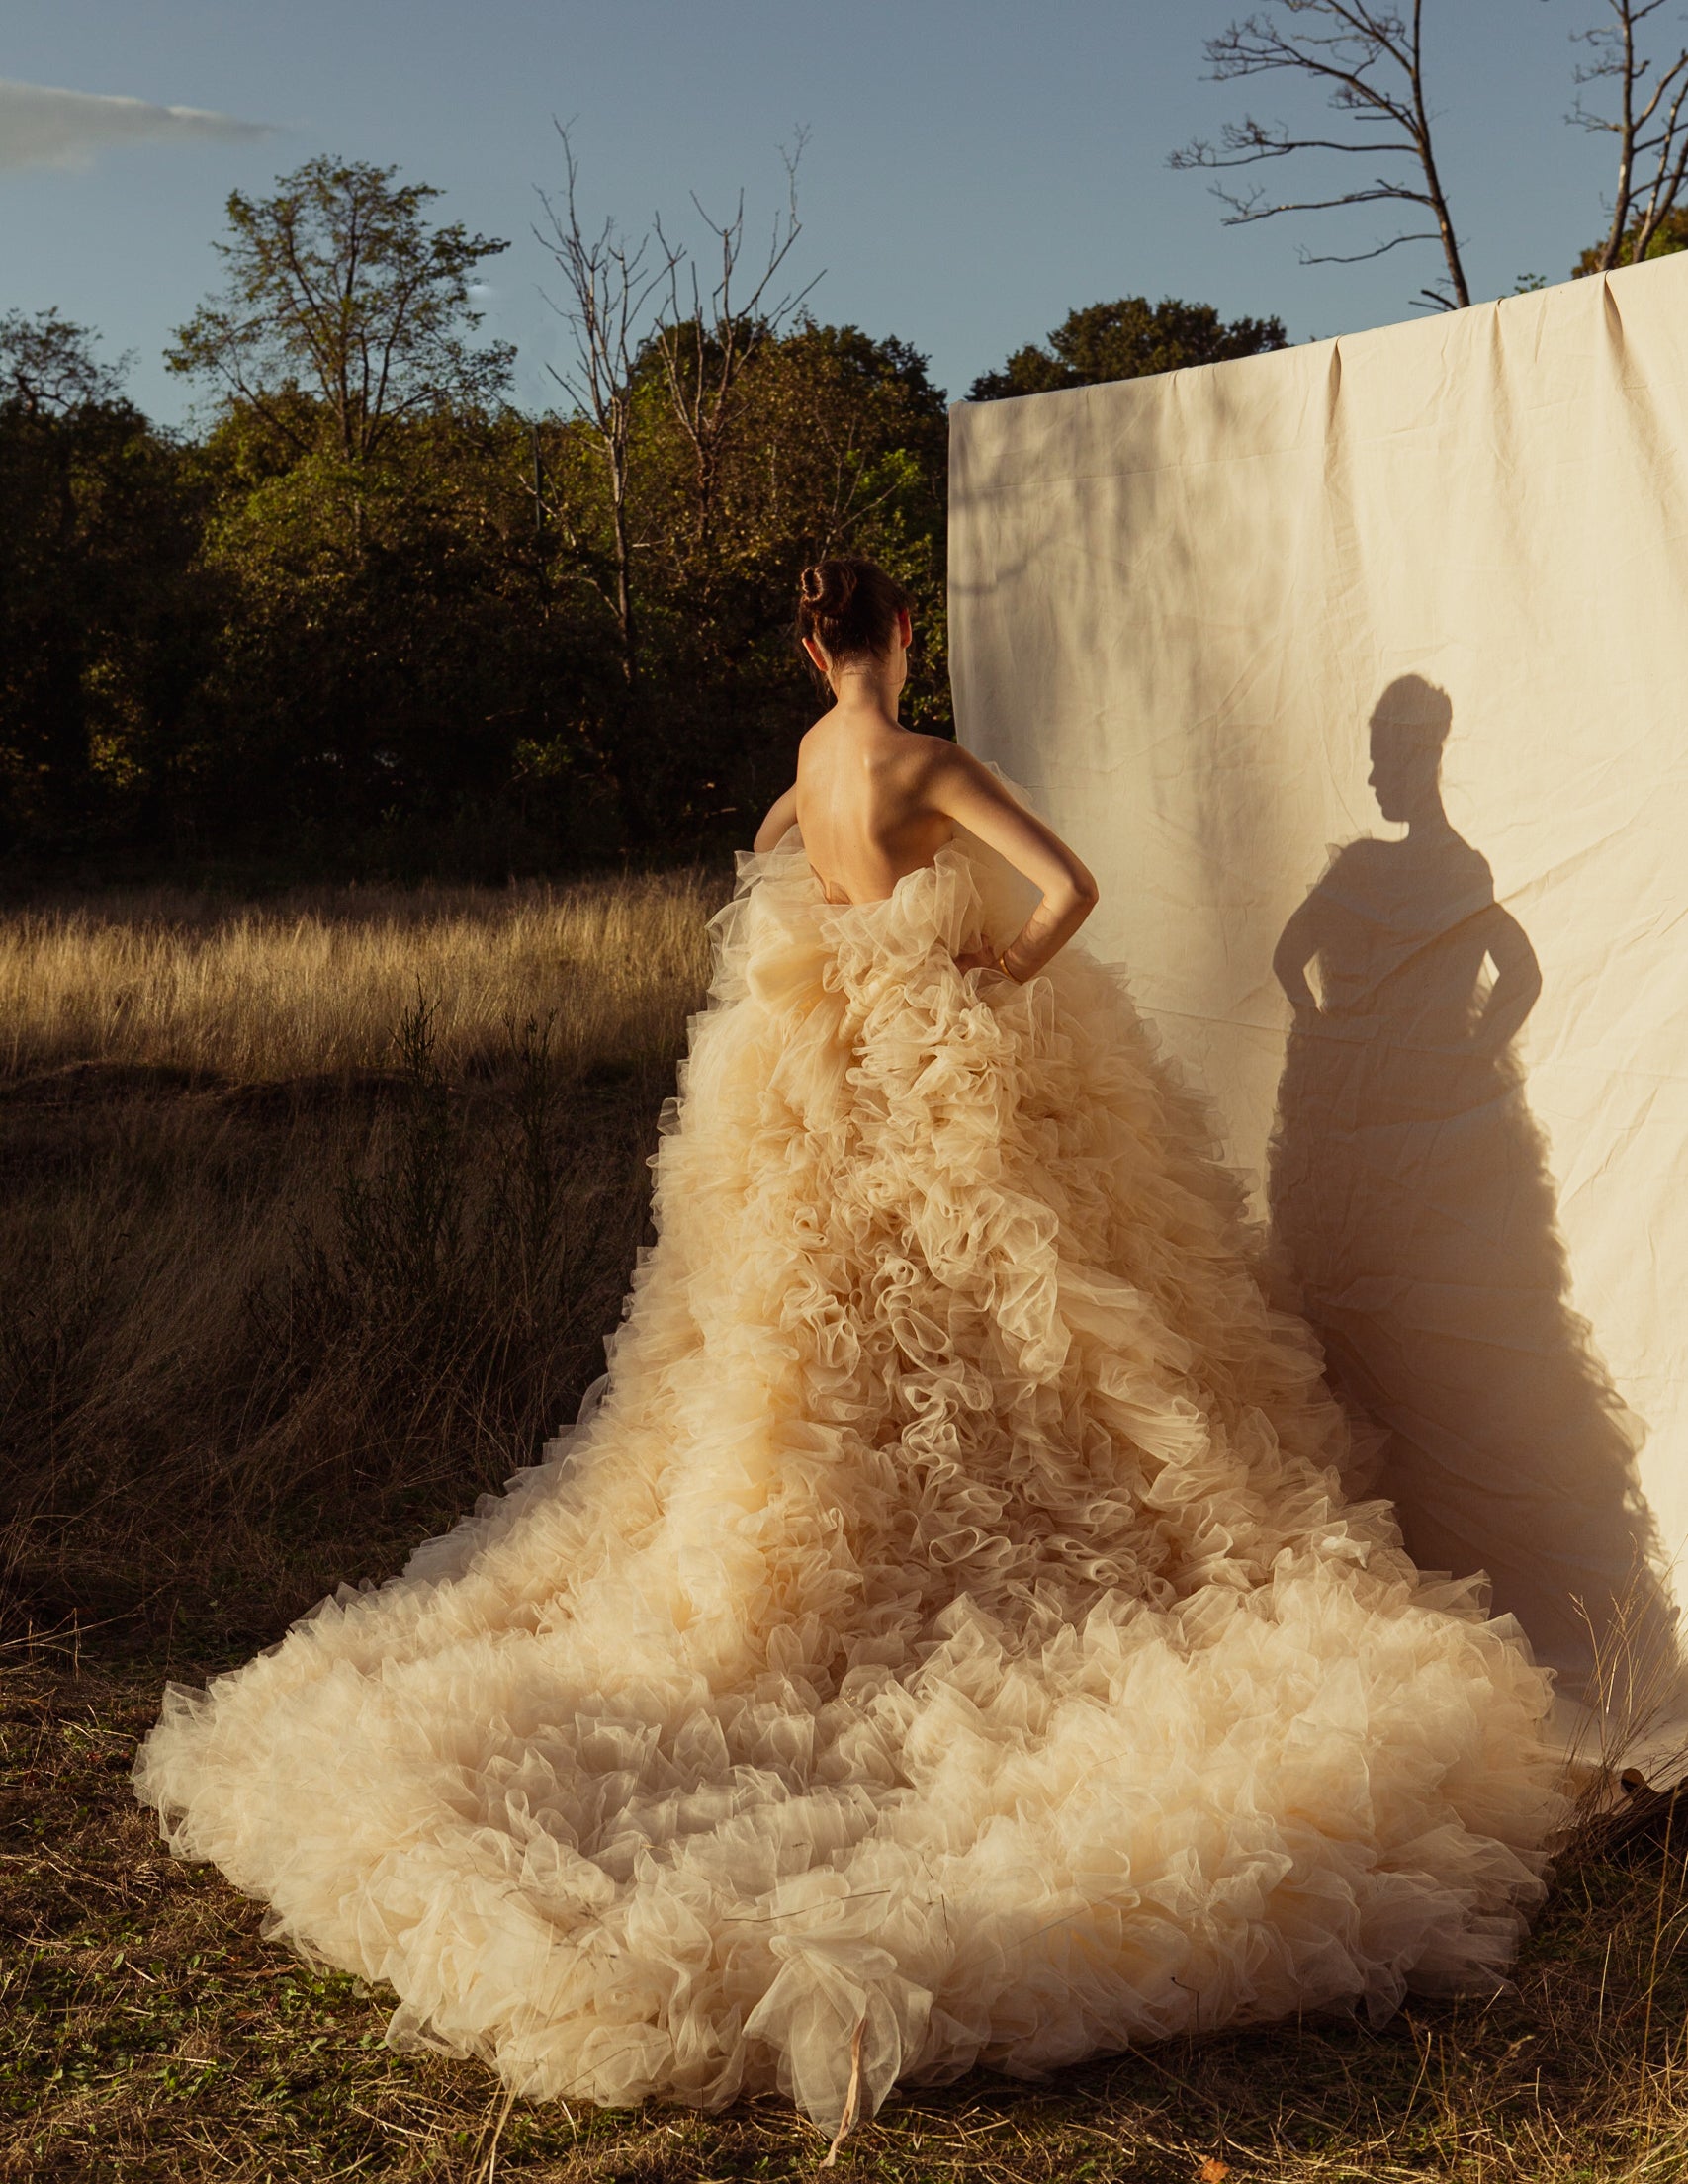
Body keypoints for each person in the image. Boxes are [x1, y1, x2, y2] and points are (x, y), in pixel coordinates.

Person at [135, 559, 1564, 2152]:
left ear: (815, 646)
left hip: (830, 1108)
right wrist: (985, 970)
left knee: (834, 1369)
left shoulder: (806, 773)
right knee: (1025, 1344)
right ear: (902, 637)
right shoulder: (928, 762)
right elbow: (1070, 888)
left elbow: (768, 874)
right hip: (946, 1098)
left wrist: (855, 939)